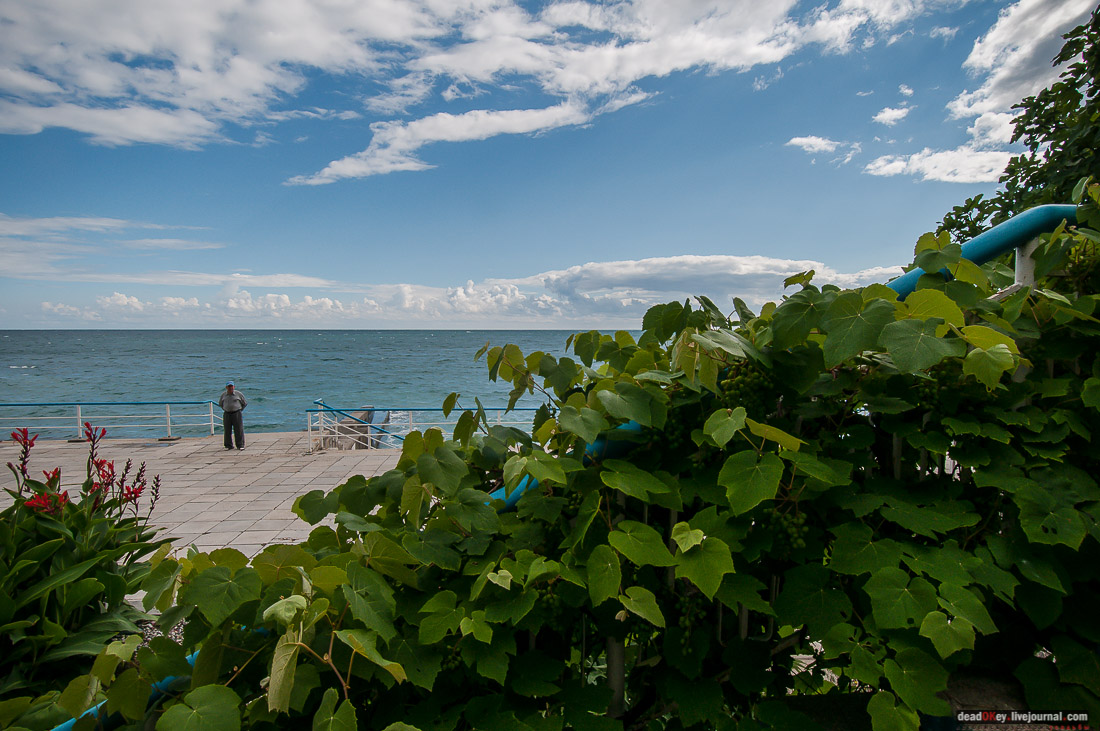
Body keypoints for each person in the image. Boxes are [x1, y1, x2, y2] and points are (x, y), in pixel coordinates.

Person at [219, 381, 247, 450]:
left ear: (234, 387)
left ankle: (240, 445)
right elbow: (221, 404)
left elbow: (244, 403)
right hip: (227, 413)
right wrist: (226, 408)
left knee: (238, 429)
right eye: (229, 387)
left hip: (236, 413)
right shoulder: (223, 395)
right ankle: (228, 445)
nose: (230, 388)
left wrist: (239, 410)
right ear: (226, 387)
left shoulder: (238, 394)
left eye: (231, 386)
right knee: (227, 430)